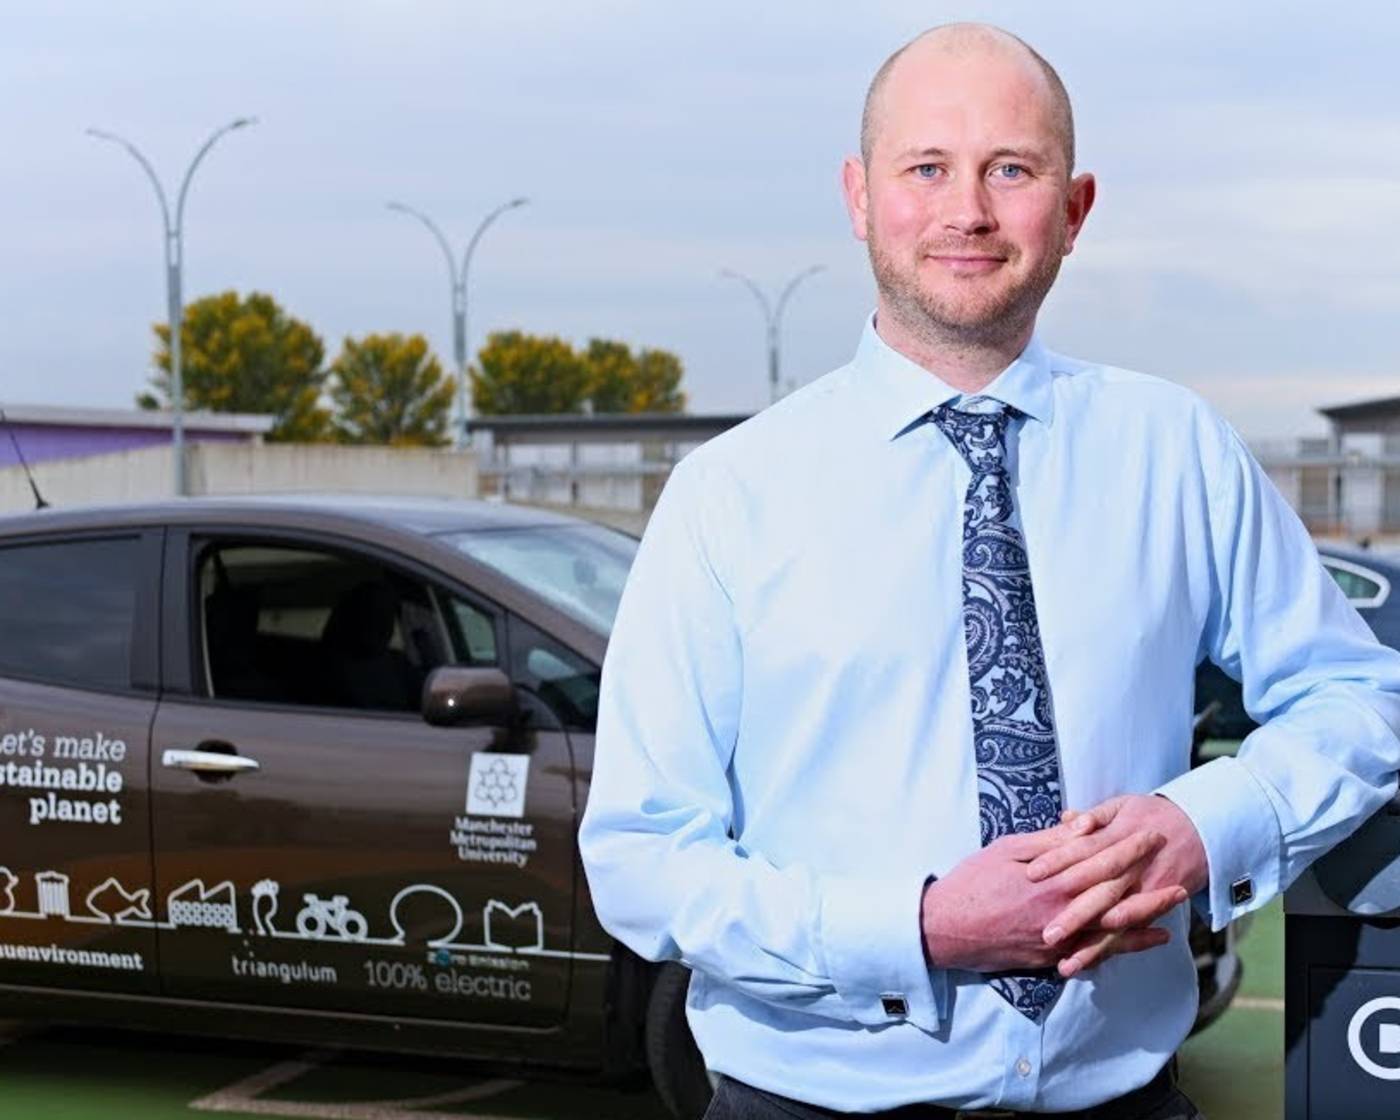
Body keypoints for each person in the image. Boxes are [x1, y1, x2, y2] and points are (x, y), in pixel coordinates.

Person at [578, 22, 1400, 1119]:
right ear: (858, 196)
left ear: (1073, 208)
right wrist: (916, 928)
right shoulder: (728, 497)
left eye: (1009, 169)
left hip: (1124, 1099)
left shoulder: (1179, 452)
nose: (966, 209)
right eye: (926, 168)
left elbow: (1356, 698)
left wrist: (1206, 824)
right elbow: (641, 858)